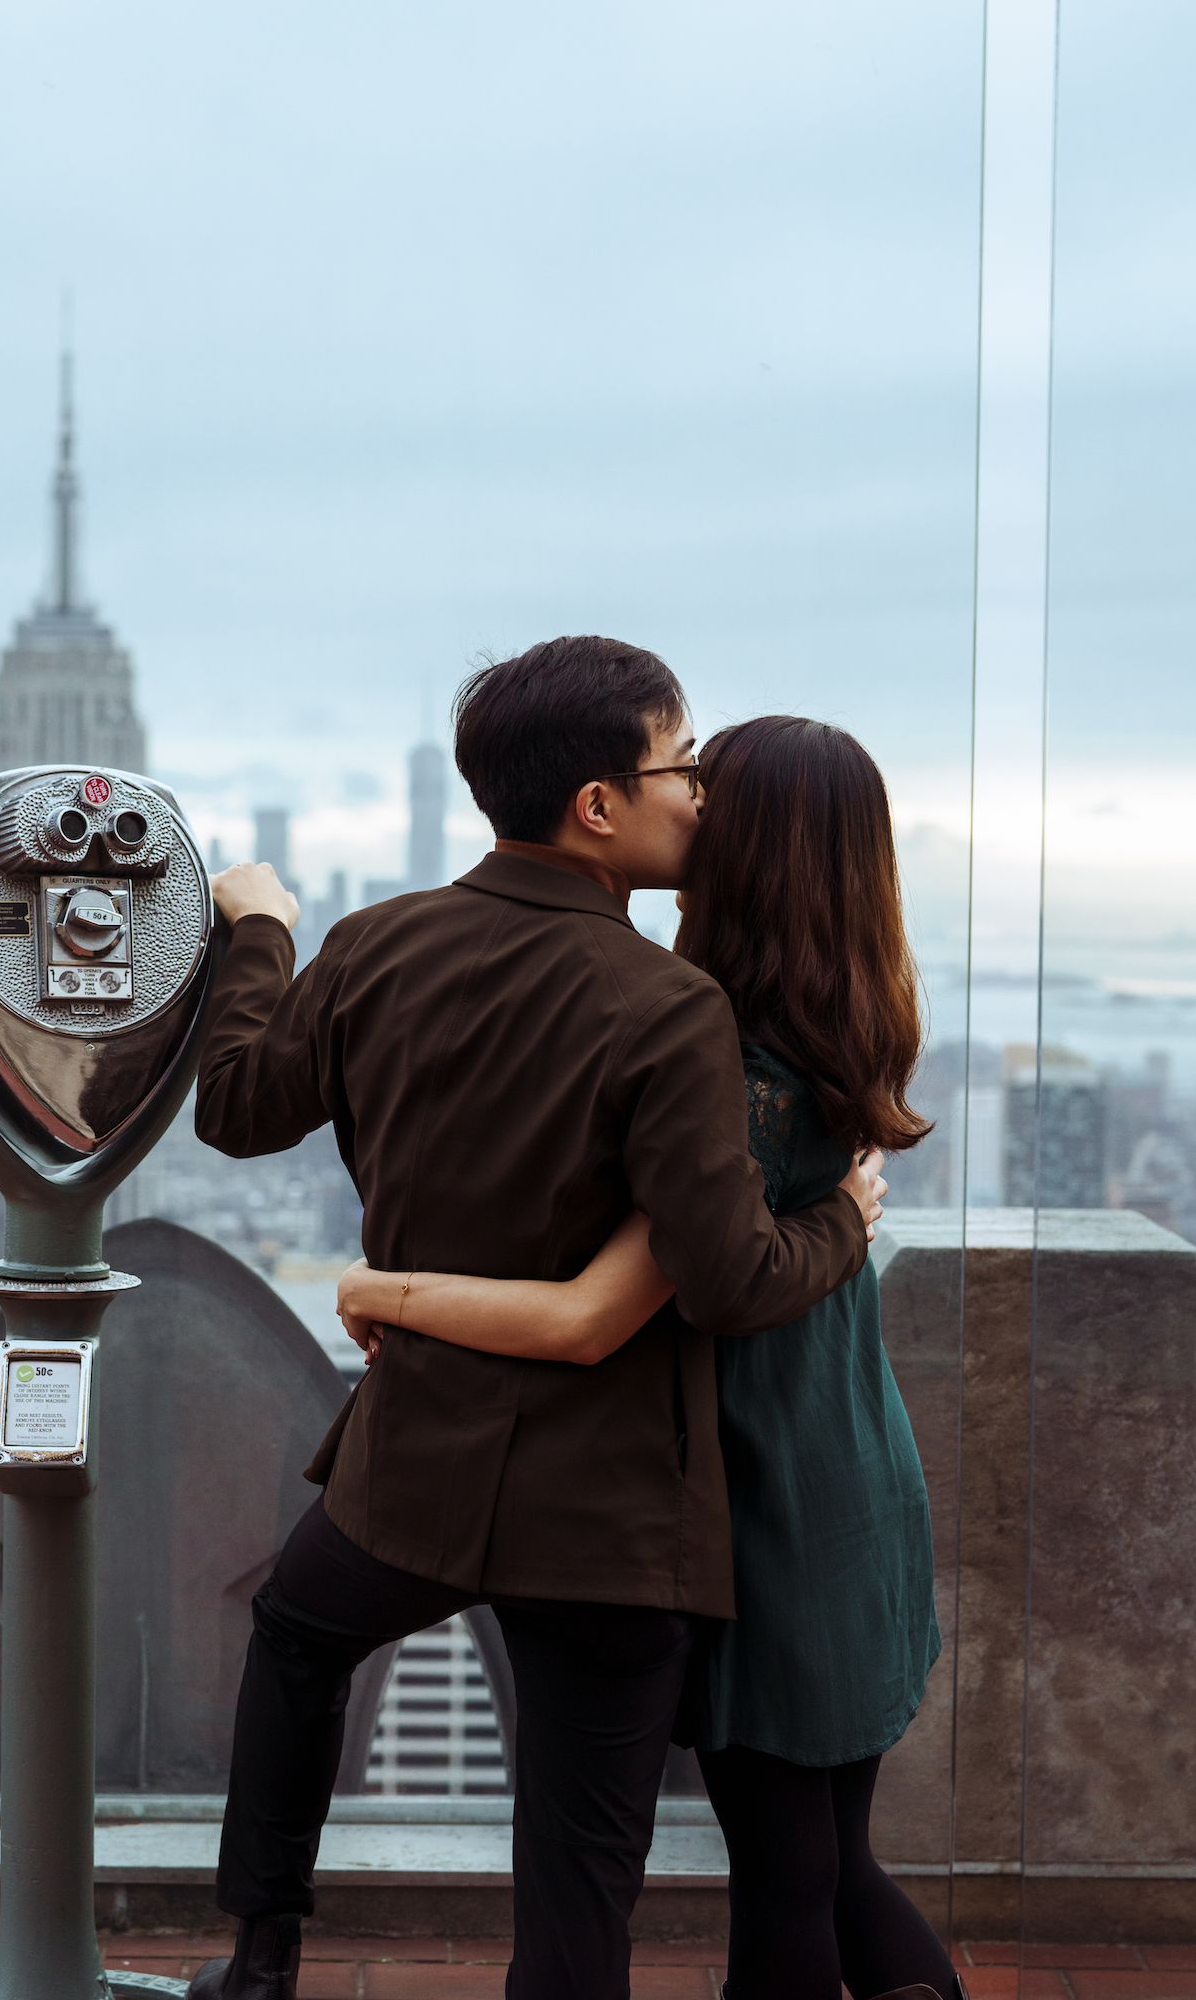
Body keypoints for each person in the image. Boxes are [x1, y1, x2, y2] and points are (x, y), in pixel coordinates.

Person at [186, 639, 886, 2000]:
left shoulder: (375, 943)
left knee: (298, 1628)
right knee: (575, 1889)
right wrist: (846, 1222)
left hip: (416, 1464)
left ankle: (261, 1949)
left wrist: (258, 932)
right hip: (610, 1512)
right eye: (682, 766)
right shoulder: (668, 1007)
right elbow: (734, 1276)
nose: (701, 794)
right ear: (599, 805)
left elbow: (235, 1104)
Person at [337, 715, 964, 2000]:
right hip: (850, 1470)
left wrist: (383, 1285)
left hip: (769, 1506)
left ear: (744, 853)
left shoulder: (717, 1054)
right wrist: (842, 1216)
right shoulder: (840, 1020)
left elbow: (591, 1312)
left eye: (702, 798)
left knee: (794, 1885)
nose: (680, 811)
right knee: (833, 1863)